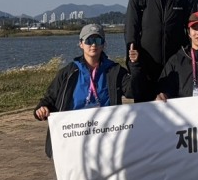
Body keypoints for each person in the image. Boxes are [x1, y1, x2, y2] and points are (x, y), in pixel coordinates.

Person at [34, 24, 135, 157]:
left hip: (105, 136)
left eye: (98, 41)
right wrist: (42, 109)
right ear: (81, 44)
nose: (93, 45)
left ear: (104, 44)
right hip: (73, 136)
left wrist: (135, 65)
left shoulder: (114, 70)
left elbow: (132, 91)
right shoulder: (68, 72)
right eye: (89, 41)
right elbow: (49, 99)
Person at [125, 0, 198, 102]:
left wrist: (196, 57)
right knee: (147, 112)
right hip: (147, 64)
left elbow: (197, 27)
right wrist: (132, 59)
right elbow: (131, 28)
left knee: (179, 108)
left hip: (177, 63)